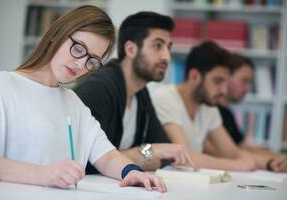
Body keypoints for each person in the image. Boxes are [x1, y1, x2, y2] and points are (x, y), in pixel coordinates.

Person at [0, 5, 167, 192]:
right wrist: (44, 174)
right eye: (78, 49)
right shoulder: (1, 86)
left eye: (92, 60)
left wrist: (132, 172)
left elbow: (107, 156)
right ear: (56, 35)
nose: (80, 64)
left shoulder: (74, 103)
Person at [75, 11, 196, 173]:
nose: (166, 57)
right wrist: (150, 151)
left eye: (168, 47)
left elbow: (166, 154)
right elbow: (90, 159)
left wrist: (148, 152)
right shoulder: (98, 88)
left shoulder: (141, 93)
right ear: (131, 49)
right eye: (157, 46)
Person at [151, 41, 258, 171]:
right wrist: (237, 165)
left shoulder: (208, 106)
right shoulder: (165, 97)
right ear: (194, 76)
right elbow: (185, 157)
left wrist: (269, 162)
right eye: (217, 81)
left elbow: (231, 152)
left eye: (226, 83)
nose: (224, 91)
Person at [213, 54, 287, 172]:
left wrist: (283, 158)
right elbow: (228, 153)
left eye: (250, 82)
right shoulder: (211, 111)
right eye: (244, 81)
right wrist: (274, 162)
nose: (248, 88)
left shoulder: (227, 113)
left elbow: (245, 147)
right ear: (226, 77)